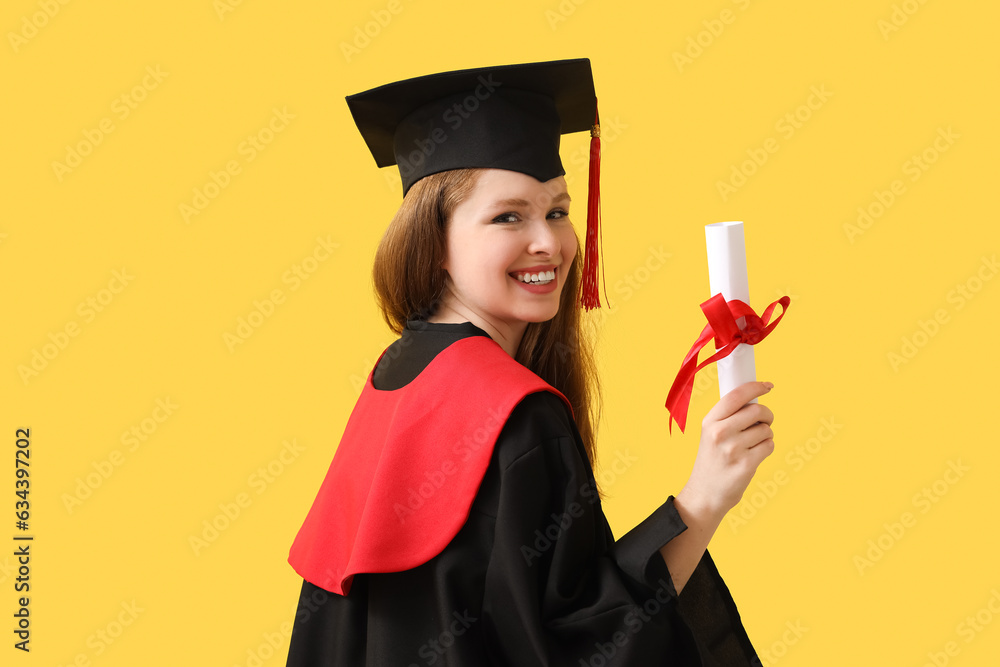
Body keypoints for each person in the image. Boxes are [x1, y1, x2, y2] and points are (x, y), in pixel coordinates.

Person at [284, 58, 774, 666]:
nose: (549, 242)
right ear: (433, 242)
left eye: (558, 211)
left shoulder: (397, 373)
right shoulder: (516, 413)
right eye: (507, 216)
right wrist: (703, 499)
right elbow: (580, 647)